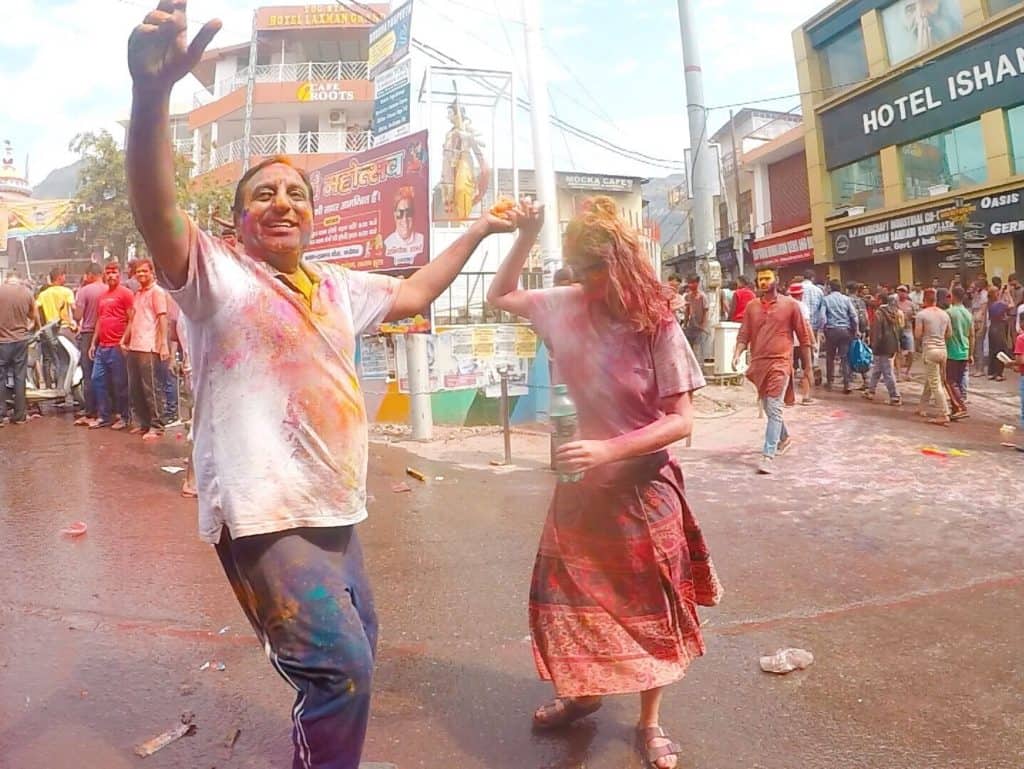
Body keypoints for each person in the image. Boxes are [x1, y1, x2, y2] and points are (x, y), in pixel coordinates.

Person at [125, 6, 518, 766]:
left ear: (312, 214)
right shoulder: (216, 277)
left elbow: (413, 294)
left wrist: (474, 231)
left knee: (358, 650)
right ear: (238, 221)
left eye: (296, 193)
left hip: (337, 508)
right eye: (264, 194)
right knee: (339, 672)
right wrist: (150, 98)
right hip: (265, 515)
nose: (283, 202)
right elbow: (157, 207)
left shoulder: (338, 285)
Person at [487, 195, 720, 769]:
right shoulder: (563, 305)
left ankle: (649, 722)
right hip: (578, 493)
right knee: (565, 602)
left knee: (652, 609)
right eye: (579, 269)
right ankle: (582, 694)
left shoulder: (655, 320)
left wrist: (609, 448)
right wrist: (526, 236)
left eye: (596, 270)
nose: (586, 282)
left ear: (621, 265)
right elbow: (500, 295)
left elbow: (682, 421)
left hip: (644, 489)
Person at [734, 267, 812, 475]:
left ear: (776, 280)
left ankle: (768, 455)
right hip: (759, 364)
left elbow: (804, 339)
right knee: (770, 407)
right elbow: (744, 334)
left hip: (781, 362)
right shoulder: (752, 307)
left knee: (774, 407)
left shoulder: (790, 305)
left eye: (767, 278)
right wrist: (736, 354)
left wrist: (808, 369)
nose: (763, 283)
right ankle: (784, 437)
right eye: (760, 279)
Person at [121, 258, 169, 440]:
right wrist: (124, 339)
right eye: (138, 272)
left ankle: (157, 426)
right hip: (135, 344)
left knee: (150, 388)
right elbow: (133, 319)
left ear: (151, 272)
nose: (141, 274)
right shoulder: (138, 294)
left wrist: (163, 343)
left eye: (144, 271)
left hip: (149, 346)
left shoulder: (157, 292)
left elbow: (162, 318)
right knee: (136, 388)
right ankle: (144, 423)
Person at [88, 262, 134, 430]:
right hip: (103, 346)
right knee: (97, 380)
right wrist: (94, 342)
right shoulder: (102, 296)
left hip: (117, 347)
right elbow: (100, 320)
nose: (111, 275)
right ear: (105, 275)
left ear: (119, 274)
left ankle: (124, 416)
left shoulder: (126, 294)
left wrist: (124, 340)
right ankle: (104, 416)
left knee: (120, 383)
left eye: (114, 272)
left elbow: (132, 319)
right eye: (108, 272)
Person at [0, 274, 38, 426]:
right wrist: (29, 327)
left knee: (0, 378)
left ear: (6, 280)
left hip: (2, 341)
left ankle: (1, 414)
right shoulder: (26, 293)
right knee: (20, 377)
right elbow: (34, 316)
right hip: (21, 340)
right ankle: (20, 414)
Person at [73, 263, 106, 425]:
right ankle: (106, 411)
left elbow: (78, 315)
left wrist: (74, 310)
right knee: (106, 373)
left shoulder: (84, 291)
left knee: (89, 374)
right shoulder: (108, 289)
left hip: (89, 333)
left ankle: (90, 412)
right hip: (107, 334)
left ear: (90, 274)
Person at [915, 288, 952, 426]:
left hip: (930, 350)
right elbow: (949, 334)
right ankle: (922, 407)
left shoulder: (922, 315)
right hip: (943, 350)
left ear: (924, 300)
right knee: (932, 379)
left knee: (935, 383)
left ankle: (944, 413)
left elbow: (918, 335)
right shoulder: (945, 314)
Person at [36, 268, 77, 389]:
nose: (65, 278)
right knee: (65, 359)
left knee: (50, 359)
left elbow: (35, 309)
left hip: (48, 330)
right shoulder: (67, 292)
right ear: (59, 277)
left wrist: (40, 326)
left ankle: (50, 387)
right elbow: (73, 308)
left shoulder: (44, 294)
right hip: (64, 329)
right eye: (64, 276)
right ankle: (62, 388)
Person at [818, 279, 858, 393]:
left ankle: (830, 382)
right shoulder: (847, 299)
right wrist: (855, 330)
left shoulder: (826, 300)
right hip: (845, 331)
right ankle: (847, 384)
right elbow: (854, 316)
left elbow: (822, 317)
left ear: (830, 287)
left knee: (830, 357)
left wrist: (822, 330)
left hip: (831, 331)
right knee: (844, 358)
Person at [863, 293, 902, 406]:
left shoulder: (879, 313)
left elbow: (877, 332)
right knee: (878, 369)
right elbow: (899, 330)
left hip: (881, 345)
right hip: (892, 344)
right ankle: (871, 390)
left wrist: (874, 345)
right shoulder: (896, 313)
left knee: (887, 372)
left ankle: (895, 396)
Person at [944, 286, 971, 420]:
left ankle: (961, 407)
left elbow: (946, 333)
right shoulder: (967, 313)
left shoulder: (949, 312)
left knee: (949, 381)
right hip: (965, 350)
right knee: (958, 381)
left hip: (952, 351)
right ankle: (956, 407)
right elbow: (972, 335)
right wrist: (971, 353)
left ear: (953, 296)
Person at [787, 280, 814, 405]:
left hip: (788, 341)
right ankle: (806, 396)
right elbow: (806, 325)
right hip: (802, 341)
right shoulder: (802, 306)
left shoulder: (785, 304)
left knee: (789, 368)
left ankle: (789, 397)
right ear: (801, 294)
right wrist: (813, 341)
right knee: (807, 367)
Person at [383, 186, 425, 267]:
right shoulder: (386, 244)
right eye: (400, 213)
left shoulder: (423, 240)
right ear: (394, 215)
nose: (404, 219)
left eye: (408, 213)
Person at [987, 287, 1011, 381]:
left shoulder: (990, 303)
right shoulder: (1000, 304)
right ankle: (999, 374)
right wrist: (1008, 294)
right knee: (1000, 350)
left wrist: (1000, 292)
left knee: (992, 350)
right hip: (999, 329)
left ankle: (991, 372)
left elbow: (997, 299)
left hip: (992, 328)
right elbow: (1011, 305)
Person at [682, 273, 707, 357]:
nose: (690, 285)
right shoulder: (688, 296)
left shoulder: (702, 296)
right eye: (689, 283)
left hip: (700, 327)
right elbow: (687, 311)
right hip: (691, 326)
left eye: (693, 283)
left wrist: (703, 325)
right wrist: (685, 324)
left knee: (698, 348)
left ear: (697, 283)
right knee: (689, 348)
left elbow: (706, 311)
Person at [894, 285, 916, 381]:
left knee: (911, 352)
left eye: (904, 291)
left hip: (908, 329)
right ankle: (898, 373)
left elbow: (917, 315)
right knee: (898, 352)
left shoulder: (910, 304)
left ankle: (908, 372)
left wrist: (911, 316)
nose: (902, 293)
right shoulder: (894, 304)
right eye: (900, 291)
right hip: (897, 329)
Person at [970, 278, 989, 376]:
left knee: (979, 346)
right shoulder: (976, 295)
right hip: (975, 321)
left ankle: (980, 369)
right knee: (975, 346)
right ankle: (977, 368)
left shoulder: (984, 295)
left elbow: (983, 311)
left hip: (981, 323)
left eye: (974, 287)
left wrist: (982, 326)